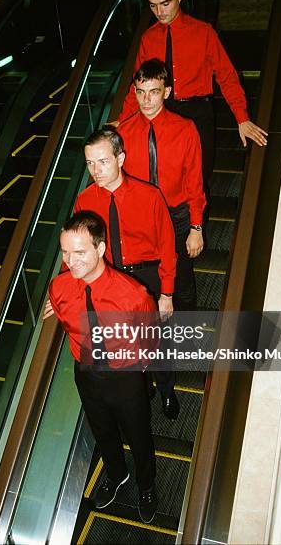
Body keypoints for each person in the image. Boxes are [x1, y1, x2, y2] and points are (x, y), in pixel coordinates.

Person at [115, 0, 268, 202]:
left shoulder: (203, 32)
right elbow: (137, 85)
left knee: (197, 180)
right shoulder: (148, 38)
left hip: (197, 113)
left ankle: (195, 231)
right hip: (161, 112)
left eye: (165, 3)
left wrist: (241, 117)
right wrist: (123, 119)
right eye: (153, 6)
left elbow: (226, 76)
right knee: (161, 180)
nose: (160, 12)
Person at [46, 211, 158, 523]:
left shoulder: (132, 295)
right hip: (86, 373)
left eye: (79, 252)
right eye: (65, 252)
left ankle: (146, 484)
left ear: (100, 249)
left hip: (125, 376)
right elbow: (62, 309)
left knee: (138, 434)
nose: (71, 261)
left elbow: (150, 334)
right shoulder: (59, 287)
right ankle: (116, 471)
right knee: (102, 429)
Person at [75, 127, 180, 419]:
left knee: (158, 340)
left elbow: (167, 247)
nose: (95, 170)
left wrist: (167, 292)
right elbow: (78, 249)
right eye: (90, 163)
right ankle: (141, 384)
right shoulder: (85, 200)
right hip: (110, 281)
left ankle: (167, 389)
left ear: (121, 158)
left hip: (146, 277)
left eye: (103, 161)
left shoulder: (149, 195)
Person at [117, 58, 206, 312]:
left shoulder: (186, 129)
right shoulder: (123, 132)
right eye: (141, 93)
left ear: (166, 92)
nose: (146, 101)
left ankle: (186, 333)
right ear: (134, 92)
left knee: (183, 279)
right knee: (149, 280)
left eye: (154, 93)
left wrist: (196, 227)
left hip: (177, 215)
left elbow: (194, 182)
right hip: (140, 219)